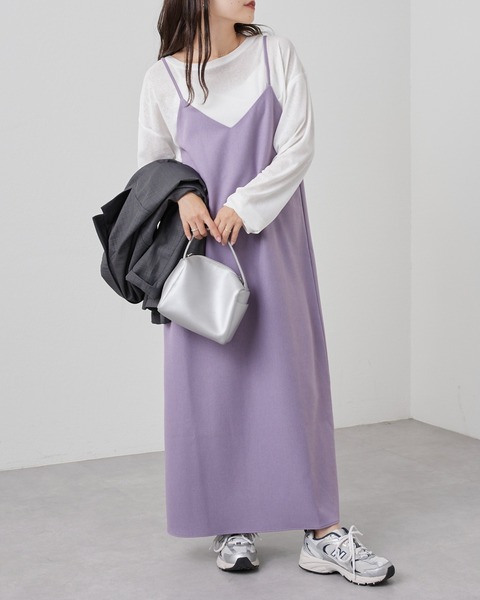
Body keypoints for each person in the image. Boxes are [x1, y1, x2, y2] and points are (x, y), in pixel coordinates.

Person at [137, 0, 395, 586]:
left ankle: (322, 532)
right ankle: (232, 523)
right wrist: (184, 196)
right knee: (213, 383)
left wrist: (244, 206)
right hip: (202, 254)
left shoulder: (276, 54)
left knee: (291, 375)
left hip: (273, 239)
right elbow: (153, 164)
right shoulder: (162, 78)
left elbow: (297, 146)